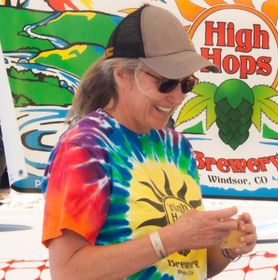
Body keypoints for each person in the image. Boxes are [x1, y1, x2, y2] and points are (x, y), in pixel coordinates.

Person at [41, 5, 257, 279]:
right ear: (121, 75)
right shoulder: (86, 148)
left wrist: (227, 248)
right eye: (166, 83)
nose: (178, 97)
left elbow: (188, 267)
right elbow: (67, 271)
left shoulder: (177, 147)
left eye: (186, 83)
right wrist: (170, 239)